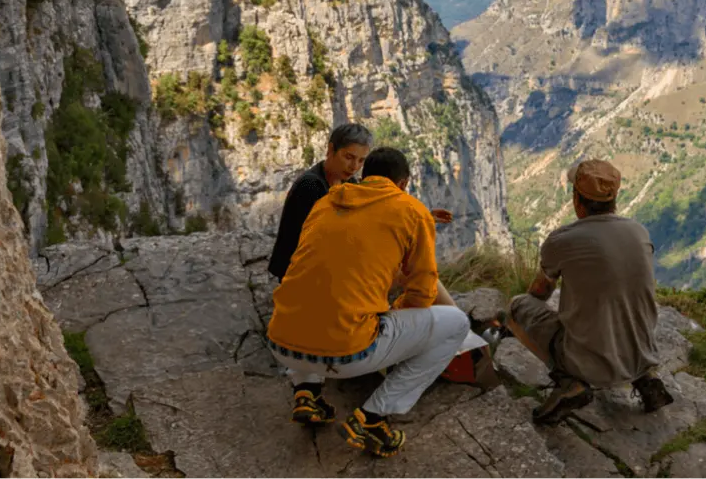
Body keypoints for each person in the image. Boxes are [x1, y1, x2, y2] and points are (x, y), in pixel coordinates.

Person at [266, 147, 469, 458]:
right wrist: (392, 317)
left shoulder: (326, 202)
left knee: (317, 292)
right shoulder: (411, 211)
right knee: (456, 323)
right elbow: (422, 293)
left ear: (366, 175)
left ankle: (307, 392)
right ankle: (372, 418)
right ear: (403, 183)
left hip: (282, 344)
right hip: (348, 355)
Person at [507, 159, 674, 425]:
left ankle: (569, 381)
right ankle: (645, 378)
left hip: (588, 362)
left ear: (577, 199)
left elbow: (538, 293)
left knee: (518, 306)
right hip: (642, 352)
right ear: (614, 198)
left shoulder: (562, 240)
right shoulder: (639, 231)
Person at [268, 123, 371, 281]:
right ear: (331, 150)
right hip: (299, 275)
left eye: (361, 160)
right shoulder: (310, 185)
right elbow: (311, 242)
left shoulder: (351, 184)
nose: (354, 166)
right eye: (349, 157)